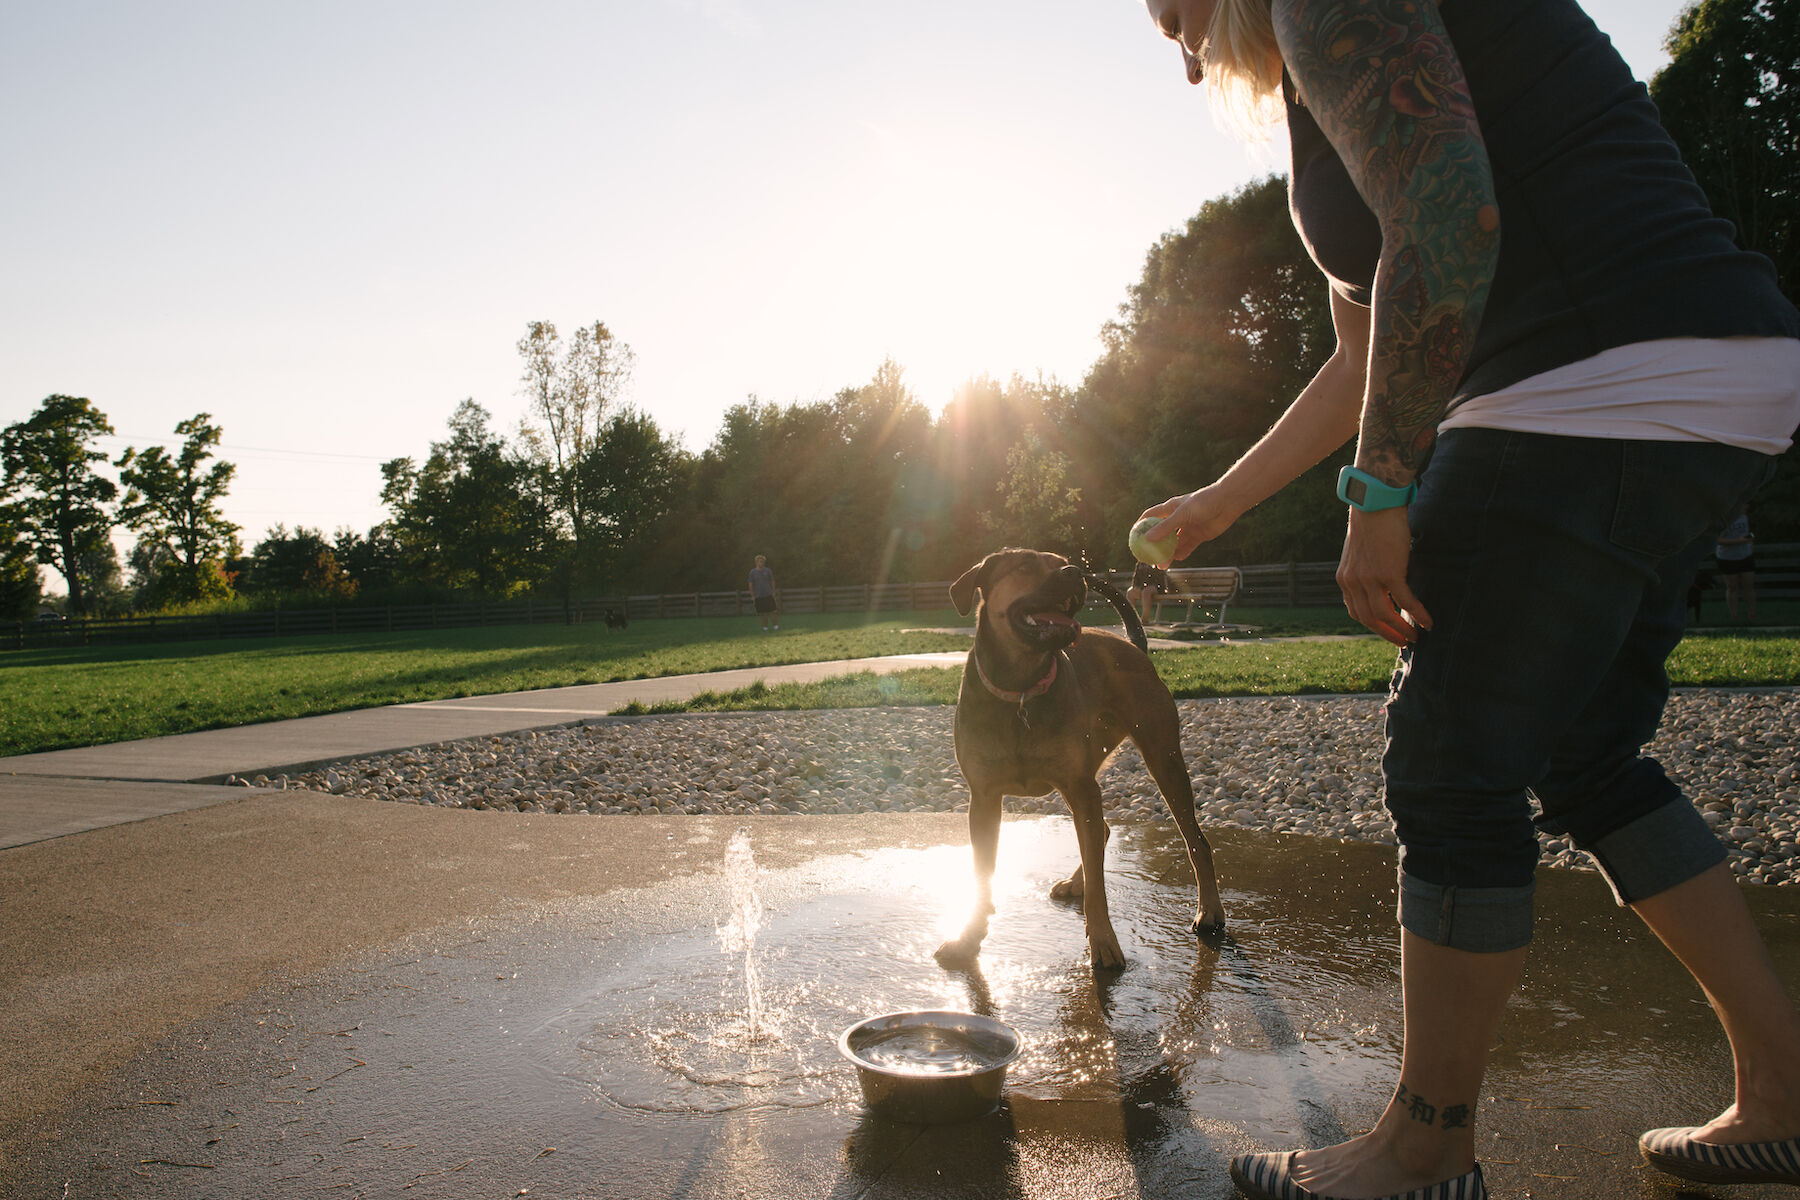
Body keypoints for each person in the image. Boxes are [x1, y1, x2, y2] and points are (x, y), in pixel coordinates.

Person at [1134, 2, 1800, 1197]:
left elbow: (1450, 210)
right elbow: (1361, 350)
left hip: (1590, 378)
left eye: (1180, 12)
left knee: (1450, 764)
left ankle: (1424, 1149)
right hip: (1708, 374)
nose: (1185, 60)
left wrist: (1381, 491)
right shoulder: (1315, 87)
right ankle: (1789, 1089)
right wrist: (1217, 503)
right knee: (1589, 753)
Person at [1716, 506, 1758, 621]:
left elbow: (1749, 533)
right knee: (1732, 587)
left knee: (1749, 585)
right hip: (1727, 557)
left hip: (1745, 555)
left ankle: (1752, 614)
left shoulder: (1744, 517)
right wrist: (1740, 541)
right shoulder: (1721, 519)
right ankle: (1734, 615)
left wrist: (1749, 543)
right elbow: (1718, 540)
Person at [748, 555, 779, 632]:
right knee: (763, 613)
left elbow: (772, 581)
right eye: (759, 561)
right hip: (759, 596)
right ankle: (765, 628)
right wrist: (752, 596)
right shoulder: (752, 572)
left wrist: (773, 591)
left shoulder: (768, 571)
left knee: (772, 612)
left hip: (768, 594)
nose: (761, 563)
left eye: (762, 561)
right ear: (756, 562)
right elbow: (750, 584)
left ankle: (776, 627)